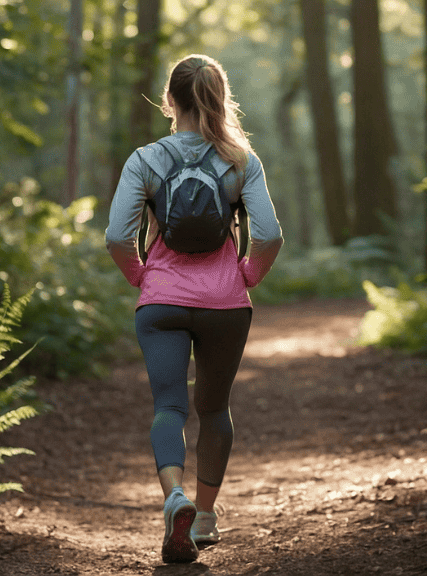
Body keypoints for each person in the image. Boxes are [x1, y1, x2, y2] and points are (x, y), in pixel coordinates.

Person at [105, 54, 283, 564]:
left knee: (169, 407)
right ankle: (204, 516)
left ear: (170, 100)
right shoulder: (241, 160)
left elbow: (118, 236)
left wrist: (145, 279)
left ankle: (173, 498)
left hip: (161, 300)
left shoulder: (145, 159)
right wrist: (245, 276)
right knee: (214, 408)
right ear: (221, 99)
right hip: (226, 304)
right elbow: (269, 235)